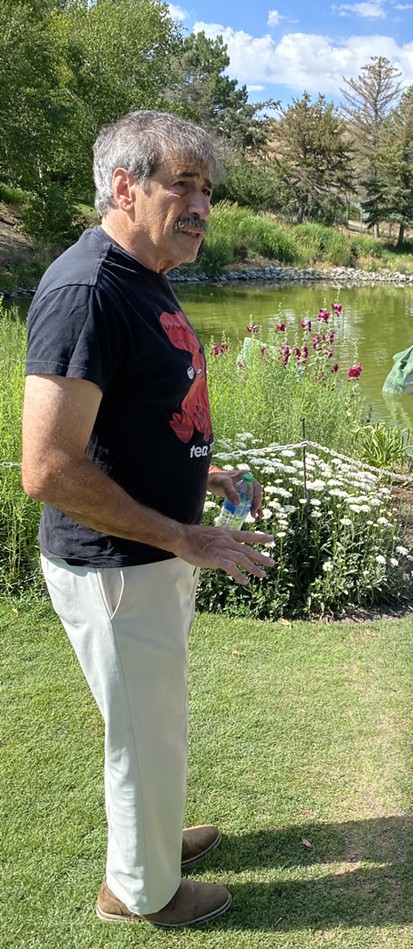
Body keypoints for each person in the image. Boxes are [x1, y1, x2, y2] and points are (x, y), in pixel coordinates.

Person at [21, 110, 274, 929]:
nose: (202, 205)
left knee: (154, 718)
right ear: (124, 187)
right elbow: (48, 467)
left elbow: (141, 415)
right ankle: (141, 891)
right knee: (142, 730)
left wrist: (211, 472)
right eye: (183, 185)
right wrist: (181, 534)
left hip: (147, 558)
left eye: (208, 189)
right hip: (116, 567)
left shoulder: (144, 274)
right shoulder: (86, 290)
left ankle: (156, 840)